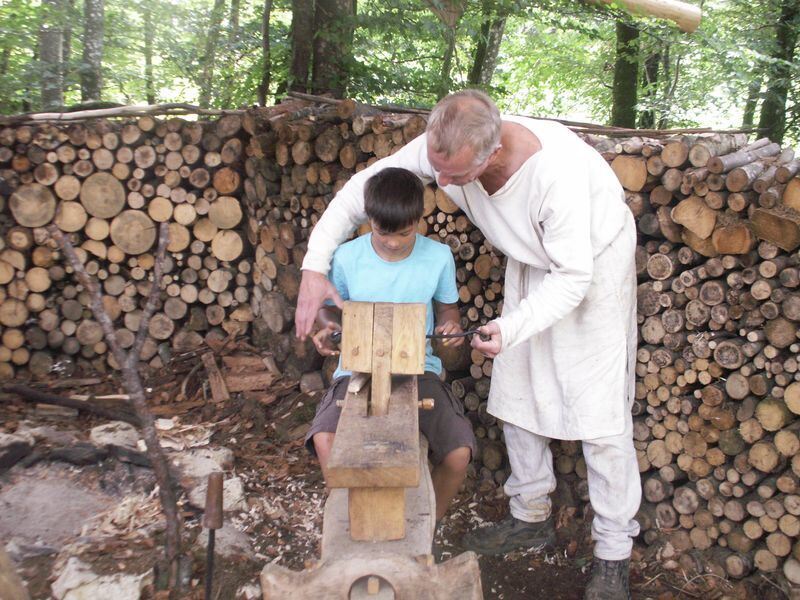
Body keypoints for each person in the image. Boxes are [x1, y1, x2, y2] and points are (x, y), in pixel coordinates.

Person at [295, 89, 641, 600]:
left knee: (601, 412)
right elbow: (359, 192)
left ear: (492, 152)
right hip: (532, 259)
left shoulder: (555, 178)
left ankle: (613, 552)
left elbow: (573, 277)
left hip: (590, 268)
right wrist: (314, 267)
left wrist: (512, 327)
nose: (443, 184)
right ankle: (530, 514)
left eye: (455, 176)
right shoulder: (445, 148)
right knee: (518, 389)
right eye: (438, 170)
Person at [305, 166, 476, 525]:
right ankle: (351, 524)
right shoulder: (348, 257)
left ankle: (425, 526)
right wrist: (328, 328)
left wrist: (450, 328)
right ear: (369, 219)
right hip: (357, 371)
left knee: (459, 453)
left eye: (405, 232)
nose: (394, 242)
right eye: (383, 232)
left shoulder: (438, 256)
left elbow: (447, 309)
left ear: (419, 218)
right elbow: (328, 309)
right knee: (325, 439)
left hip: (419, 371)